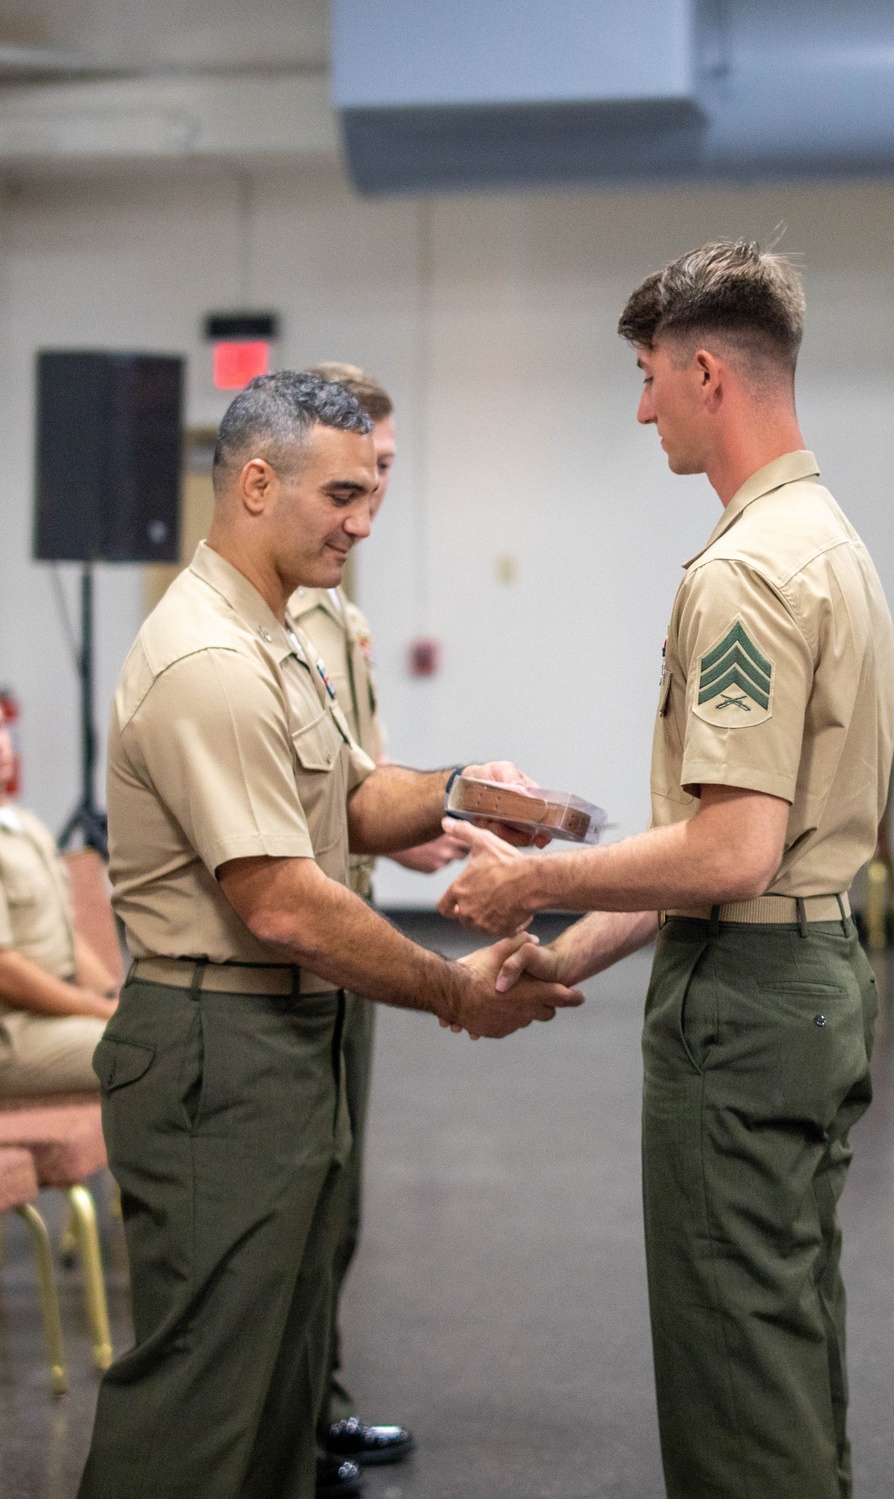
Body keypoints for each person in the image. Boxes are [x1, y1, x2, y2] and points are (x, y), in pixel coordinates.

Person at [438, 241, 894, 1499]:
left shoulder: (746, 571)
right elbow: (735, 860)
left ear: (706, 373)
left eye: (647, 378)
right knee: (784, 1330)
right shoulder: (828, 538)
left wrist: (534, 882)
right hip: (808, 966)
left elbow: (730, 850)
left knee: (733, 1369)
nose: (641, 409)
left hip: (745, 1005)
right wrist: (570, 947)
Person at [77, 371, 582, 1499]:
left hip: (276, 1043)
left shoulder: (277, 634)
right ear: (257, 483)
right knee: (202, 1394)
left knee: (279, 1377)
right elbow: (282, 900)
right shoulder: (207, 657)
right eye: (344, 493)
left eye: (374, 493)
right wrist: (455, 992)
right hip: (219, 1044)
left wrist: (461, 790)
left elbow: (349, 799)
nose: (364, 519)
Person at [288, 362, 463, 1470]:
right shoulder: (283, 617)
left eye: (387, 473)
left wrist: (423, 821)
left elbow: (351, 781)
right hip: (302, 939)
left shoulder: (338, 609)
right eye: (359, 476)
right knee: (301, 1198)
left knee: (338, 1191)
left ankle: (318, 1399)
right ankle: (293, 1424)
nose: (373, 501)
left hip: (346, 921)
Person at [0, 718, 117, 1095]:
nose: (3, 745)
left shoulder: (25, 823)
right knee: (147, 1053)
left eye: (3, 730)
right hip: (14, 1029)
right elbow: (5, 970)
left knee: (159, 1032)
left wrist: (116, 998)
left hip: (57, 1014)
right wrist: (95, 1008)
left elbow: (67, 938)